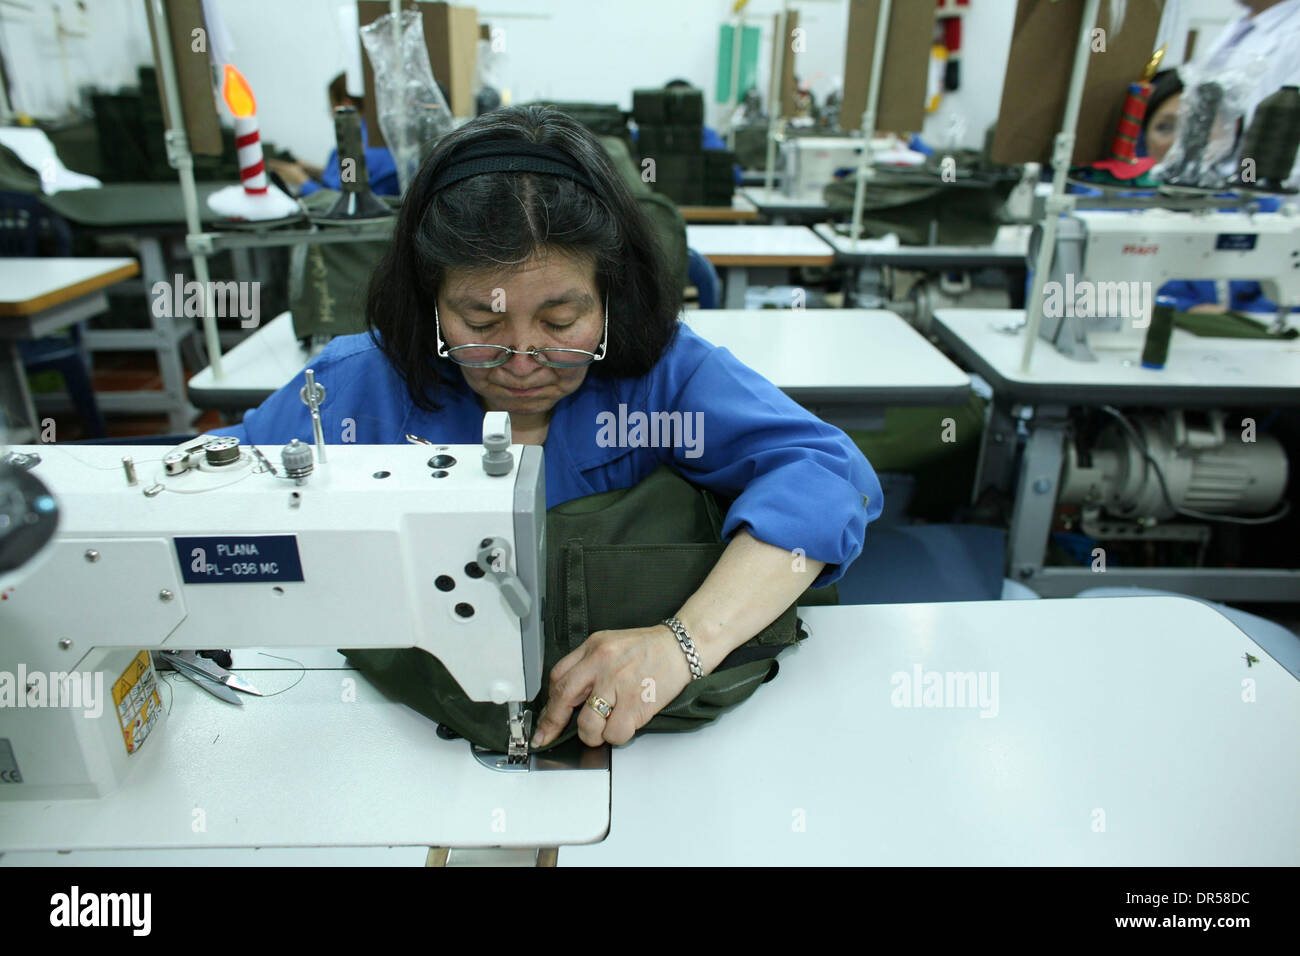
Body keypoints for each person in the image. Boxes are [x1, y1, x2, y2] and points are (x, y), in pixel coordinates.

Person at [204, 105, 882, 750]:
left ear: (611, 296)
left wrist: (683, 643)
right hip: (396, 735)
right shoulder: (358, 390)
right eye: (481, 322)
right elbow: (210, 499)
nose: (523, 360)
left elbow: (828, 475)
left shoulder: (662, 378)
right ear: (429, 298)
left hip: (653, 754)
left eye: (561, 323)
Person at [268, 73, 399, 197]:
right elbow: (350, 177)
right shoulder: (381, 136)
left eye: (332, 108)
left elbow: (344, 197)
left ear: (346, 105)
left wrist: (301, 181)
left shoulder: (354, 147)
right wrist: (312, 169)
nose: (332, 115)